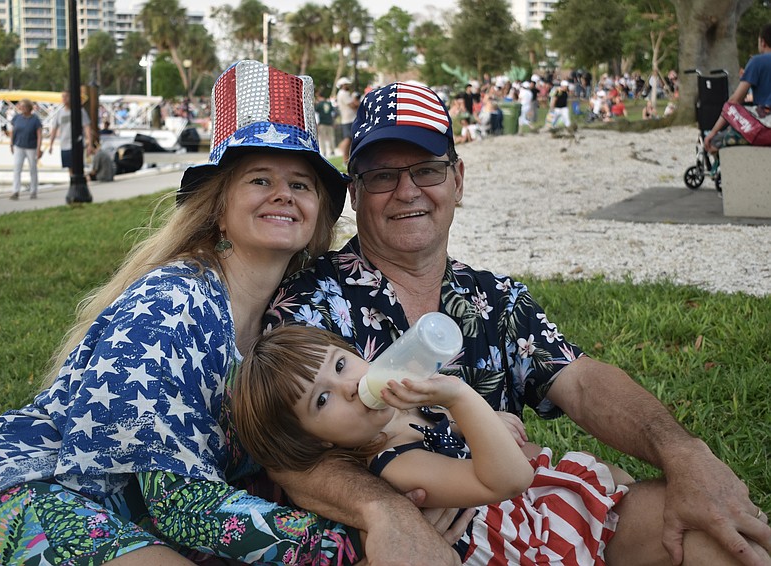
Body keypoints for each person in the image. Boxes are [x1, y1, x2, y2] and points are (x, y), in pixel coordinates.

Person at [0, 61, 464, 566]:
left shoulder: (297, 311)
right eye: (259, 179)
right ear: (219, 207)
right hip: (35, 501)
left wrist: (413, 486)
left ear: (319, 212)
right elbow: (178, 503)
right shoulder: (173, 302)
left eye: (301, 184)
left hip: (147, 526)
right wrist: (355, 539)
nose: (284, 195)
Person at [264, 81, 771, 566]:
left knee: (712, 533)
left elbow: (583, 381)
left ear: (457, 180)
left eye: (427, 170)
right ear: (355, 192)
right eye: (381, 176)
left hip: (538, 520)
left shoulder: (496, 297)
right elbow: (284, 450)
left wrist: (682, 452)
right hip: (427, 545)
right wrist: (386, 512)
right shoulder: (310, 305)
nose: (406, 191)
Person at [234, 325, 638, 564]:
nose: (349, 388)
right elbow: (510, 478)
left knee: (615, 479)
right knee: (595, 504)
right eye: (322, 400)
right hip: (507, 539)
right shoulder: (392, 462)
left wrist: (472, 424)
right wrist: (462, 399)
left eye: (341, 365)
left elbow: (444, 433)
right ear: (316, 441)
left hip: (518, 504)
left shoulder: (397, 410)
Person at [704, 23, 771, 154]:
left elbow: (735, 100)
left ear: (762, 42)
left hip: (763, 130)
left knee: (716, 141)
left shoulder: (757, 62)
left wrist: (713, 131)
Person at [47, 89, 94, 175]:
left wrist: (89, 143)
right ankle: (72, 182)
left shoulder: (79, 111)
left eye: (66, 96)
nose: (64, 98)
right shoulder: (59, 113)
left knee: (78, 166)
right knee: (69, 167)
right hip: (64, 144)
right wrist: (51, 144)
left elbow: (87, 127)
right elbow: (54, 129)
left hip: (77, 143)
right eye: (63, 96)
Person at [8, 98, 43, 200]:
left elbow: (39, 134)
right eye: (21, 106)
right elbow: (13, 131)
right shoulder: (17, 118)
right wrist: (11, 144)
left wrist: (38, 148)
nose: (21, 108)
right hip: (19, 145)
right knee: (17, 168)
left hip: (31, 147)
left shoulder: (35, 119)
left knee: (32, 168)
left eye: (23, 106)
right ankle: (15, 191)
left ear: (28, 108)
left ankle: (33, 191)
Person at [335, 77, 359, 162]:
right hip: (349, 120)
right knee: (348, 139)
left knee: (349, 138)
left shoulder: (342, 93)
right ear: (343, 85)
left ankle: (347, 158)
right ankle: (345, 159)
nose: (349, 86)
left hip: (348, 119)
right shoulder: (343, 93)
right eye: (347, 84)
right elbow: (353, 105)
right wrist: (355, 99)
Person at [315, 89, 336, 157]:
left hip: (322, 123)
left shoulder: (319, 105)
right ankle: (332, 151)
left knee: (322, 138)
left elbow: (316, 114)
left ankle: (324, 152)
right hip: (329, 122)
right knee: (331, 137)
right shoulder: (329, 103)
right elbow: (333, 113)